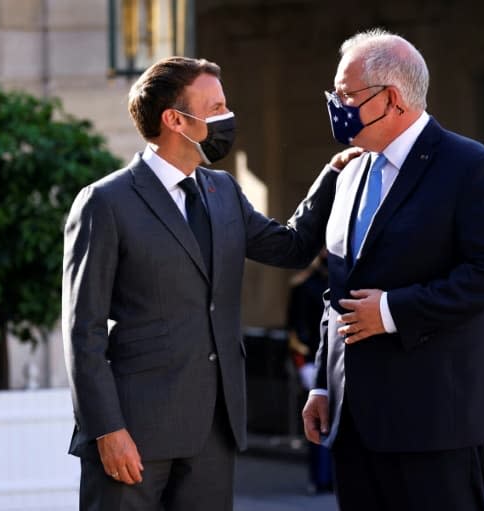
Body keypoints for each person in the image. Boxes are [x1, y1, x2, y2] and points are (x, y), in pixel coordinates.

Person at [62, 56, 359, 511]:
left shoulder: (224, 192)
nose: (227, 117)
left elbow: (294, 247)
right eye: (216, 107)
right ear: (175, 119)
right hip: (134, 430)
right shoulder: (105, 202)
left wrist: (334, 175)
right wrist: (106, 429)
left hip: (214, 431)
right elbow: (83, 331)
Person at [301, 28, 484, 511]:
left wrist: (393, 310)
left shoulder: (470, 166)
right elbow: (335, 291)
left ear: (392, 99)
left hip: (437, 422)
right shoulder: (351, 172)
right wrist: (323, 381)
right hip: (354, 422)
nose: (336, 105)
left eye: (345, 94)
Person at [284, 249, 332, 494]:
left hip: (340, 360)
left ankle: (334, 477)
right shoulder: (304, 286)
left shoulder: (339, 280)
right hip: (313, 359)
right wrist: (302, 364)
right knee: (319, 419)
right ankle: (320, 477)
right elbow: (295, 329)